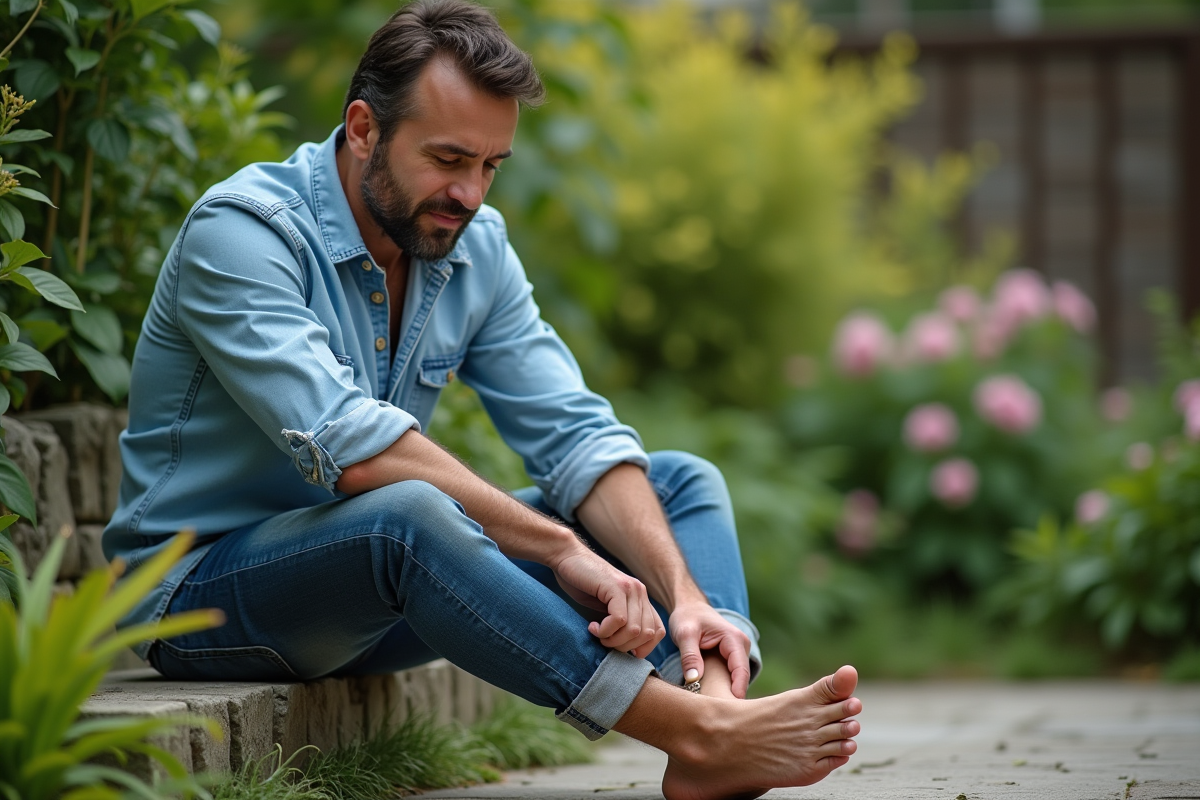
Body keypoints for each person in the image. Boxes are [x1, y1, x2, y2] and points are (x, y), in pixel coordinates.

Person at [103, 1, 862, 796]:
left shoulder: (472, 248)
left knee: (674, 484)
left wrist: (684, 598)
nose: (468, 193)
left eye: (490, 165)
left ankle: (716, 704)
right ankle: (690, 730)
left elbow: (574, 437)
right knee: (410, 515)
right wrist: (562, 550)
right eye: (447, 159)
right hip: (201, 598)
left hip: (378, 602)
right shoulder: (244, 234)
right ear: (364, 128)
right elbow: (356, 450)